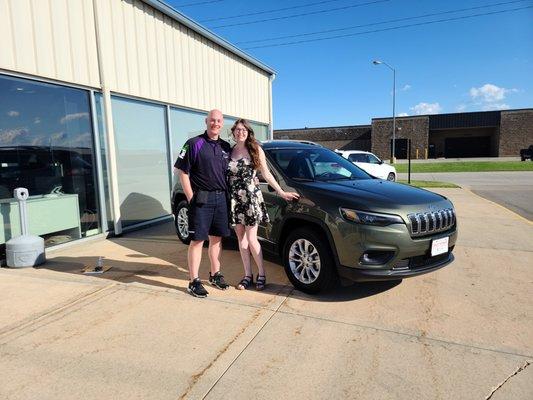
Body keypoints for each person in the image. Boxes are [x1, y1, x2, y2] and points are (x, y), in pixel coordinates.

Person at [227, 119, 299, 291]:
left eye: (243, 130)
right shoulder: (230, 151)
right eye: (237, 129)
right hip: (235, 199)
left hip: (250, 198)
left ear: (248, 132)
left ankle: (262, 274)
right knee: (241, 240)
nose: (240, 132)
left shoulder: (255, 149)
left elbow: (266, 173)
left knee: (252, 239)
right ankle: (247, 275)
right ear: (233, 132)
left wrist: (281, 192)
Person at [175, 109, 231, 298]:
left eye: (219, 121)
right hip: (201, 199)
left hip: (221, 198)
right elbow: (181, 170)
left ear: (222, 124)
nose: (215, 123)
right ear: (206, 121)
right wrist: (191, 197)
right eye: (212, 120)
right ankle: (194, 281)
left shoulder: (226, 146)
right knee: (198, 240)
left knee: (216, 239)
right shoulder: (193, 144)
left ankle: (215, 274)